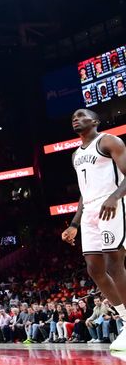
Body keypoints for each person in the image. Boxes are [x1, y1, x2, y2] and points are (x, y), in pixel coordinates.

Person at [62, 108, 126, 351]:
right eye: (73, 117)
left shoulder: (109, 141)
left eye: (80, 115)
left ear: (95, 121)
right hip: (89, 211)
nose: (76, 119)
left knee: (114, 263)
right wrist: (74, 224)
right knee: (94, 269)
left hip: (113, 205)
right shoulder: (76, 155)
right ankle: (125, 319)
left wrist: (115, 197)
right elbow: (83, 192)